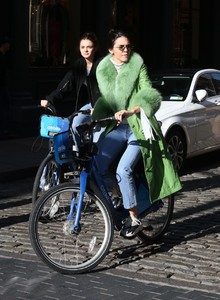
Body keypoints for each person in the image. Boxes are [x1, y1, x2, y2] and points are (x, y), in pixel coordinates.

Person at [92, 29, 182, 238]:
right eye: (121, 47)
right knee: (98, 164)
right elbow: (106, 100)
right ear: (110, 50)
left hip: (138, 126)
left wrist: (132, 110)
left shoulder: (137, 64)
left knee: (124, 170)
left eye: (128, 46)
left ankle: (134, 219)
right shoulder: (103, 69)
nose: (126, 50)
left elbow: (149, 94)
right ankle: (118, 194)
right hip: (117, 128)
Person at [40, 32, 102, 129]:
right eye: (82, 47)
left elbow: (109, 90)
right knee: (75, 125)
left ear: (95, 48)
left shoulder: (102, 64)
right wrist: (50, 99)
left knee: (99, 134)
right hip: (85, 105)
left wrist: (100, 107)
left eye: (89, 47)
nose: (85, 50)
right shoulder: (79, 65)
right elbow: (66, 84)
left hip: (102, 104)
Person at [0, 36, 11, 138]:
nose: (9, 45)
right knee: (5, 108)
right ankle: (4, 130)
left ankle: (5, 129)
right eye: (7, 43)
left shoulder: (5, 56)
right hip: (2, 86)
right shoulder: (2, 57)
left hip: (4, 86)